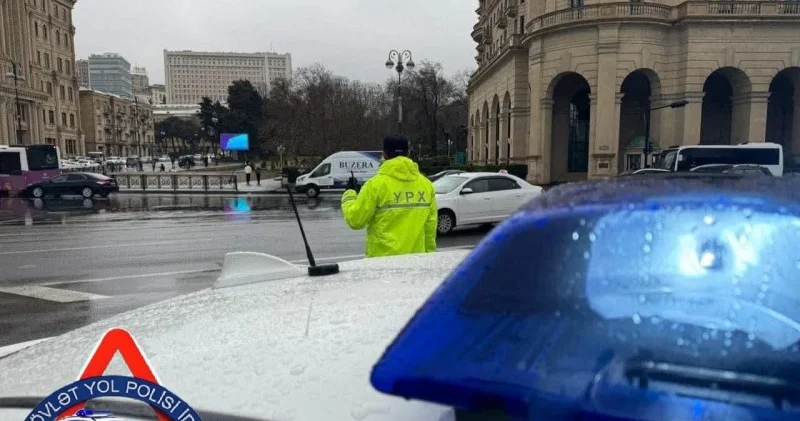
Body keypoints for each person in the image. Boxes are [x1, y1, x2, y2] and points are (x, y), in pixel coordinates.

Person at [341, 135, 437, 258]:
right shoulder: (426, 185)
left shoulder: (375, 185)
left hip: (383, 265)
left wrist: (349, 194)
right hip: (416, 263)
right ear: (407, 153)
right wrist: (429, 259)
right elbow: (430, 229)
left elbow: (355, 220)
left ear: (384, 154)